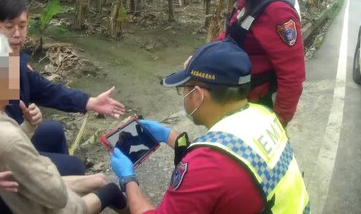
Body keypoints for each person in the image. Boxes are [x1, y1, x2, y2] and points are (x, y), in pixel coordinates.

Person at [0, 0, 125, 191]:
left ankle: (61, 196)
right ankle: (66, 193)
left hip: (18, 140)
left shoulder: (9, 62)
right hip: (3, 162)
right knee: (75, 166)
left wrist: (91, 102)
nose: (17, 34)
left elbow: (48, 90)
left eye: (23, 26)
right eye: (9, 27)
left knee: (52, 130)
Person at [110, 40, 310, 213]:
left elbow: (211, 166)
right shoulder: (264, 114)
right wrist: (169, 135)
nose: (183, 95)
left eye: (183, 89)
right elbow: (231, 155)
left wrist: (128, 180)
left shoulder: (205, 167)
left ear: (197, 96)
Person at [190, 0, 306, 126]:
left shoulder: (276, 9)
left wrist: (278, 124)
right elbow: (235, 30)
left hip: (255, 105)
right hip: (238, 95)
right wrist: (202, 57)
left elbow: (292, 77)